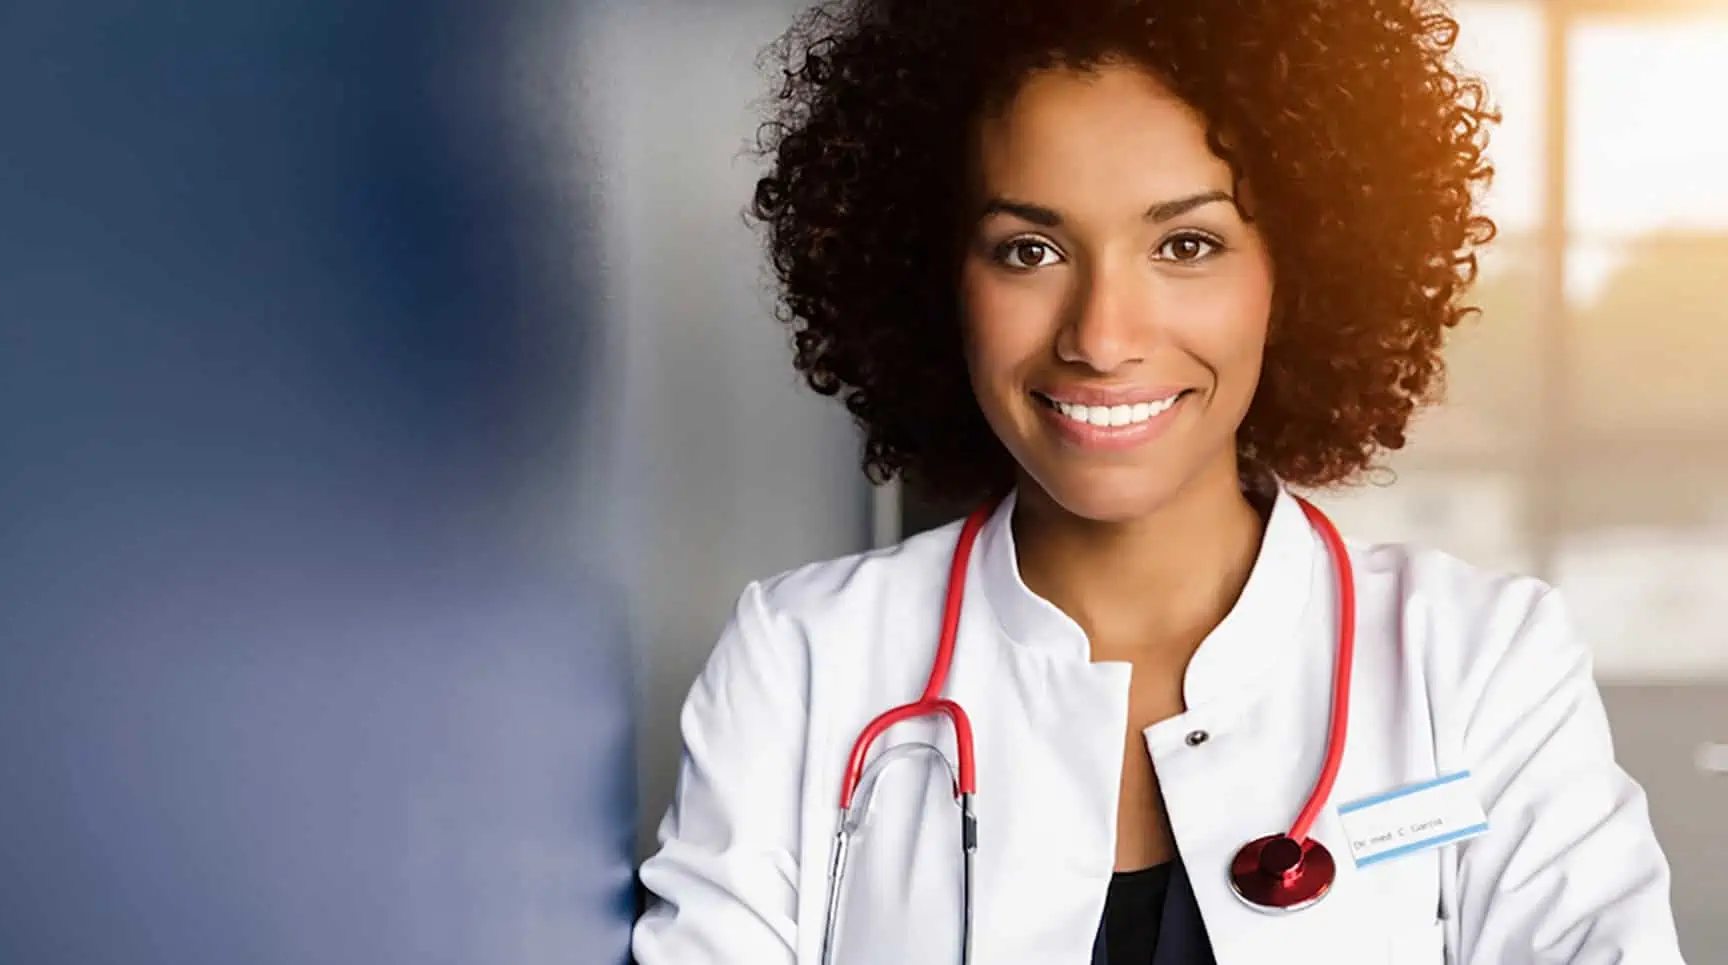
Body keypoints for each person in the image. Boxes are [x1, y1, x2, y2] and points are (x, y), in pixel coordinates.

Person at [630, 0, 1687, 962]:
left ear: (1301, 270)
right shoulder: (802, 659)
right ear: (934, 275)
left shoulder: (1479, 662)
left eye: (1184, 243)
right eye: (1027, 250)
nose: (1100, 335)